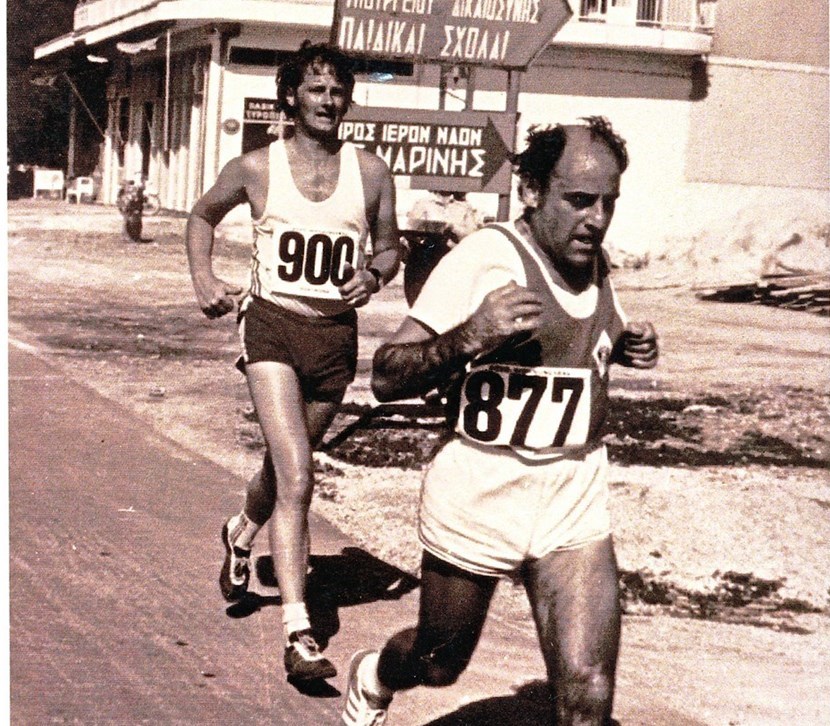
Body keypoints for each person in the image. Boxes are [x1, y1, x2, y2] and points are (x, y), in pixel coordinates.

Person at [341, 117, 658, 725]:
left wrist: (626, 344)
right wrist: (469, 335)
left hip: (572, 492)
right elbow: (386, 374)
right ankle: (376, 673)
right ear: (533, 191)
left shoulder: (594, 259)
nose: (595, 219)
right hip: (480, 490)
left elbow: (587, 338)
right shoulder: (485, 257)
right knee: (439, 660)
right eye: (579, 200)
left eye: (608, 203)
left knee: (588, 694)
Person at [186, 41, 401, 683]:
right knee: (300, 475)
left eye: (337, 91)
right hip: (272, 328)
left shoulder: (371, 172)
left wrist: (375, 274)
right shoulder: (256, 167)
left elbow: (391, 249)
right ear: (291, 97)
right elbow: (202, 215)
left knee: (283, 470)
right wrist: (204, 278)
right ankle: (299, 632)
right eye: (316, 90)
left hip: (335, 341)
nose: (329, 101)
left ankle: (240, 533)